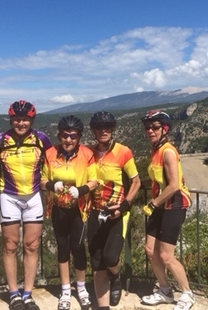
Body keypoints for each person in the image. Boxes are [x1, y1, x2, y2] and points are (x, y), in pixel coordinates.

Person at [0, 100, 52, 310]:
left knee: (32, 246)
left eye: (25, 119)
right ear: (11, 119)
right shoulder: (1, 140)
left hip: (33, 196)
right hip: (9, 196)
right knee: (10, 245)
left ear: (31, 120)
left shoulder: (40, 139)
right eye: (17, 119)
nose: (21, 123)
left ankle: (28, 294)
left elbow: (55, 162)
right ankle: (14, 293)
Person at [41, 115, 98, 310]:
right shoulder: (49, 153)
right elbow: (41, 180)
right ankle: (65, 290)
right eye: (65, 135)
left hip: (79, 209)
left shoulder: (87, 154)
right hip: (58, 208)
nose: (68, 140)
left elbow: (94, 180)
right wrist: (51, 184)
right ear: (59, 136)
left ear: (79, 137)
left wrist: (80, 190)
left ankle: (81, 288)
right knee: (63, 248)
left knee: (78, 247)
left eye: (73, 136)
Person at [140, 110, 195, 310]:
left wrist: (153, 203)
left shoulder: (168, 151)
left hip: (174, 204)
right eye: (147, 127)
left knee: (165, 255)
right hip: (160, 204)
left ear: (165, 129)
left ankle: (187, 293)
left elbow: (173, 186)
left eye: (155, 127)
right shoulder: (154, 151)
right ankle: (165, 290)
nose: (150, 131)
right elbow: (157, 180)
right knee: (149, 250)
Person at [87, 111, 141, 310]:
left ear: (112, 129)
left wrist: (125, 205)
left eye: (107, 127)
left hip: (117, 213)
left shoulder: (123, 151)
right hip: (94, 212)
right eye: (99, 127)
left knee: (110, 257)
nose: (103, 131)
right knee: (97, 261)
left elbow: (135, 181)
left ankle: (116, 277)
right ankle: (103, 306)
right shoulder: (88, 153)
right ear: (93, 130)